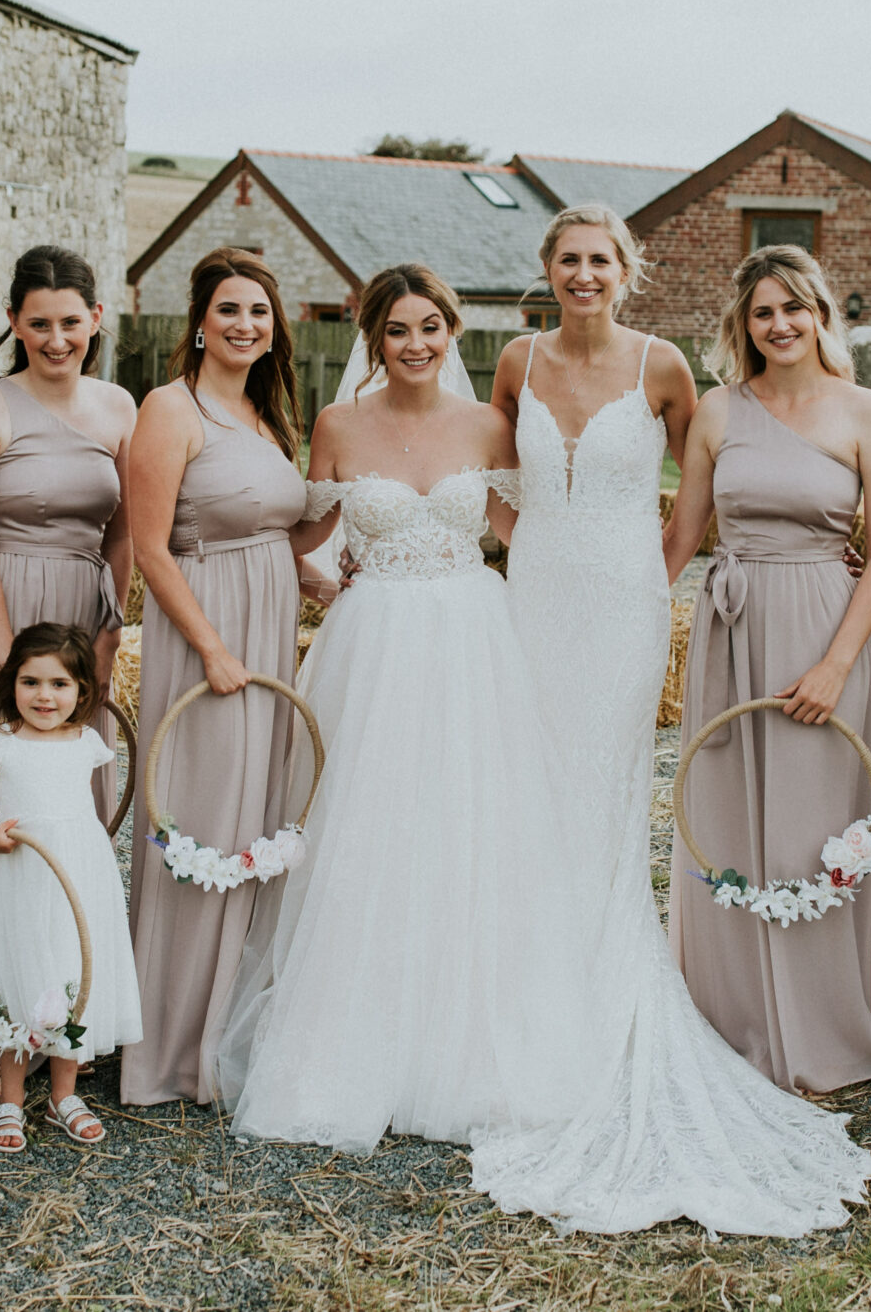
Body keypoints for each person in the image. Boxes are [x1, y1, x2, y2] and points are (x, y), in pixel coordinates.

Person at [476, 207, 871, 1236]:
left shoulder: (671, 378)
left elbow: (696, 524)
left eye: (599, 259)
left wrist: (636, 597)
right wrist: (517, 551)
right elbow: (492, 478)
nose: (582, 273)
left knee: (612, 791)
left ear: (628, 271)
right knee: (527, 786)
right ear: (546, 270)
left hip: (624, 600)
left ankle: (644, 996)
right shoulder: (519, 365)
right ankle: (525, 996)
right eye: (566, 259)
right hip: (541, 592)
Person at [217, 264, 592, 1150]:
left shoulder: (488, 423)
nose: (416, 344)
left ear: (452, 333)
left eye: (431, 327)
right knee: (366, 820)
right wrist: (244, 546)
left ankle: (465, 1037)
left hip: (471, 639)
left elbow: (518, 531)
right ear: (372, 340)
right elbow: (306, 528)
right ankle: (353, 1031)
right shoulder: (340, 423)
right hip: (373, 640)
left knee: (471, 821)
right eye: (398, 331)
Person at [663, 245, 871, 1093]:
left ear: (821, 315)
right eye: (763, 313)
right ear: (744, 325)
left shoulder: (865, 410)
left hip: (821, 625)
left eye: (794, 309)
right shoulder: (717, 411)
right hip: (730, 629)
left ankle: (818, 1026)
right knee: (727, 815)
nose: (780, 326)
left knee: (812, 821)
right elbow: (682, 538)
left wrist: (839, 663)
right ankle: (725, 1018)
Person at [120, 247, 335, 1107]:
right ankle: (170, 1047)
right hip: (205, 627)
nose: (247, 325)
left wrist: (320, 583)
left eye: (259, 312)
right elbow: (147, 545)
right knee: (202, 808)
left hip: (269, 625)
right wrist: (208, 644)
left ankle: (229, 1028)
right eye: (230, 310)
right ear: (199, 321)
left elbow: (274, 532)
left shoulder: (262, 414)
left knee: (256, 809)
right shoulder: (170, 409)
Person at [0, 246, 136, 1092]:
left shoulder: (120, 404)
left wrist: (108, 635)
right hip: (7, 611)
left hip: (83, 621)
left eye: (71, 321)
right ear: (15, 323)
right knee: (8, 806)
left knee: (69, 822)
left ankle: (66, 1016)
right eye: (38, 322)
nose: (56, 338)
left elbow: (126, 529)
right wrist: (13, 666)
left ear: (97, 318)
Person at [0, 622, 143, 1152]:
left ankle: (63, 1095)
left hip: (81, 871)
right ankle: (10, 1099)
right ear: (11, 685)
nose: (44, 696)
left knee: (74, 971)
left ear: (81, 691)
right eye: (31, 682)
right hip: (25, 875)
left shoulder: (87, 742)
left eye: (59, 684)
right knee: (20, 974)